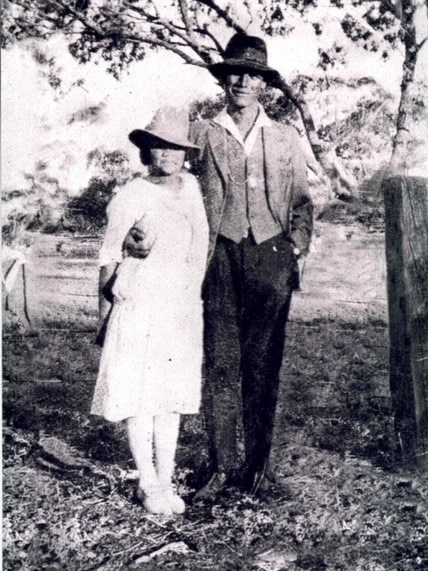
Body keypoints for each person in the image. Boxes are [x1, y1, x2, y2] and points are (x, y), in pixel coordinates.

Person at [126, 34, 313, 500]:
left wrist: (295, 249)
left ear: (265, 83)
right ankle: (222, 468)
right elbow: (168, 182)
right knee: (222, 365)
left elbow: (303, 205)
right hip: (218, 260)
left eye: (253, 74)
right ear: (223, 78)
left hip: (271, 257)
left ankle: (259, 470)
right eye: (235, 72)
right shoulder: (204, 133)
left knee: (263, 366)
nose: (243, 81)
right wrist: (135, 227)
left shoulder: (286, 136)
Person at [90, 107, 209, 515]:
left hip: (180, 307)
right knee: (140, 395)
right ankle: (147, 482)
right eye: (159, 146)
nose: (168, 155)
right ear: (147, 150)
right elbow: (108, 255)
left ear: (185, 153)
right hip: (140, 303)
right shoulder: (131, 194)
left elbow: (199, 249)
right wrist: (103, 316)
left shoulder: (192, 187)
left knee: (169, 397)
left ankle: (167, 478)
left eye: (175, 147)